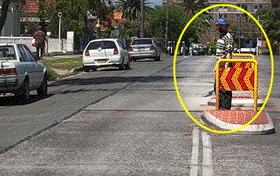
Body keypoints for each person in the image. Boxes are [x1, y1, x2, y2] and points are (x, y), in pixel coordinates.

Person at [213, 18, 234, 110]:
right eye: (219, 25)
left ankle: (225, 107)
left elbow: (229, 53)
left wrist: (226, 66)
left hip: (225, 64)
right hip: (219, 63)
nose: (220, 27)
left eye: (222, 25)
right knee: (218, 87)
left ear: (226, 26)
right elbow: (219, 53)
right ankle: (220, 106)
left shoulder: (228, 37)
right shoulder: (220, 37)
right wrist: (215, 66)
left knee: (225, 87)